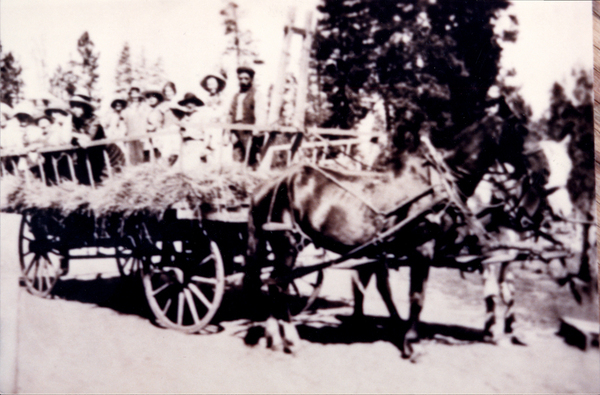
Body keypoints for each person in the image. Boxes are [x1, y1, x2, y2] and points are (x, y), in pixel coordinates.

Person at [228, 66, 265, 167]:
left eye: (246, 78)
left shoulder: (256, 94)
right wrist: (231, 131)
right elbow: (231, 114)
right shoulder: (236, 96)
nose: (243, 81)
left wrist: (256, 131)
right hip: (236, 129)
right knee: (236, 156)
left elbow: (260, 113)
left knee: (250, 157)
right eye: (240, 78)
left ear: (251, 80)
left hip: (249, 130)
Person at [200, 71, 228, 168]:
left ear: (218, 84)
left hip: (219, 127)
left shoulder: (223, 98)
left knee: (217, 148)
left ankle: (216, 169)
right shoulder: (205, 99)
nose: (211, 87)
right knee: (206, 147)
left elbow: (225, 114)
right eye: (209, 84)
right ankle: (208, 169)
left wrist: (226, 132)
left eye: (213, 84)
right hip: (207, 126)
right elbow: (203, 113)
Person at [176, 93, 206, 172]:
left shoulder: (200, 116)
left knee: (193, 167)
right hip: (185, 144)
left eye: (192, 103)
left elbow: (206, 132)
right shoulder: (183, 117)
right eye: (187, 103)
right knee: (180, 167)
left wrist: (205, 147)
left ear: (195, 104)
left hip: (196, 143)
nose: (189, 105)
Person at [154, 81, 181, 165]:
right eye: (166, 91)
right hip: (166, 130)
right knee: (166, 152)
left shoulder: (179, 102)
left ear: (174, 91)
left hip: (177, 130)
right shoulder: (162, 105)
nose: (168, 93)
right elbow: (155, 118)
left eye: (170, 90)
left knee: (177, 152)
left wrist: (175, 106)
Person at [123, 87, 148, 165]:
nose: (135, 96)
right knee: (132, 155)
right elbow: (124, 122)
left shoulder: (144, 106)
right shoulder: (127, 109)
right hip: (131, 134)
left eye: (136, 93)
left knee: (143, 154)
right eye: (132, 94)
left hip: (142, 133)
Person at [143, 88, 165, 161]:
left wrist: (153, 126)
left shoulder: (161, 109)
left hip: (159, 135)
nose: (151, 99)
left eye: (153, 96)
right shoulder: (146, 110)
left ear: (158, 99)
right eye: (149, 97)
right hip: (149, 135)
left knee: (159, 153)